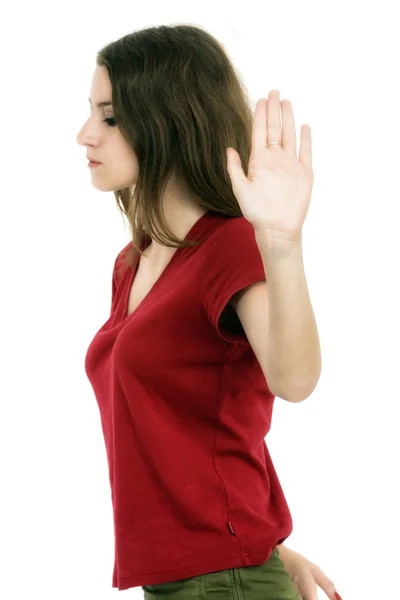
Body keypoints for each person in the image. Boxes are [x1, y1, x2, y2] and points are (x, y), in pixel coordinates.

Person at [77, 23, 341, 600]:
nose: (85, 134)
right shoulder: (133, 262)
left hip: (222, 582)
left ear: (166, 120)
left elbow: (293, 379)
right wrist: (261, 543)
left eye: (110, 116)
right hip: (192, 577)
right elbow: (195, 428)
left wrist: (281, 242)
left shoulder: (229, 244)